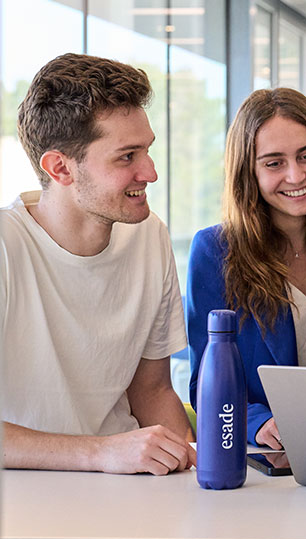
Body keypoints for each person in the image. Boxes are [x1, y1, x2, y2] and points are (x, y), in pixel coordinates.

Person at [1, 53, 194, 475]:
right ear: (60, 168)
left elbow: (153, 390)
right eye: (127, 157)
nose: (151, 172)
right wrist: (100, 452)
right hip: (20, 498)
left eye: (147, 150)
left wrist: (197, 470)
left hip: (127, 488)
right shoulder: (5, 247)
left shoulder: (149, 235)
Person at [186, 88, 306, 449]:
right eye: (273, 163)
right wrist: (258, 423)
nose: (296, 175)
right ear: (247, 172)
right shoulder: (215, 252)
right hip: (275, 455)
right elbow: (204, 384)